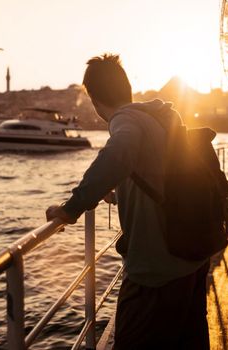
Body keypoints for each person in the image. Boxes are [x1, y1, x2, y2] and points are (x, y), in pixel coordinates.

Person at [46, 54, 210, 349]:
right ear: (127, 88)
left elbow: (119, 153)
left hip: (157, 271)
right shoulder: (159, 117)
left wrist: (71, 209)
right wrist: (119, 191)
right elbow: (160, 173)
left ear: (95, 101)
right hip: (192, 259)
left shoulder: (126, 120)